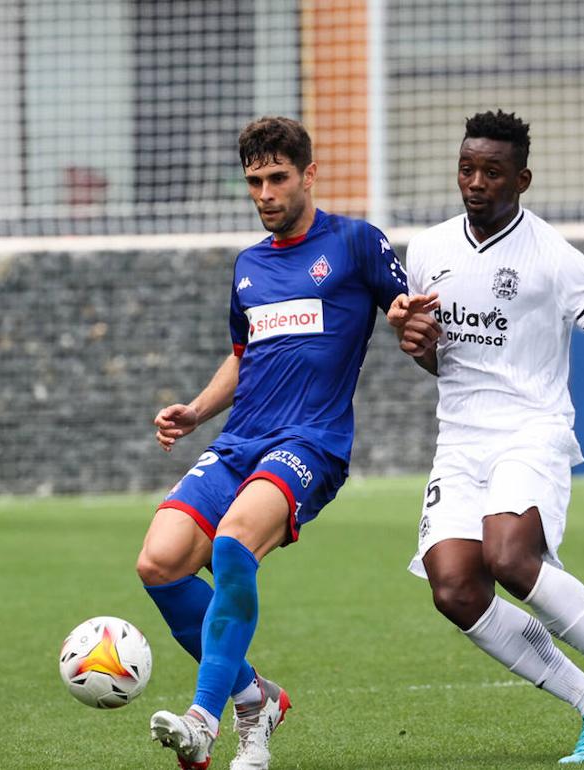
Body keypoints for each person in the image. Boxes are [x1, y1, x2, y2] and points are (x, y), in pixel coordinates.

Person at [388, 110, 584, 763]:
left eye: (492, 172)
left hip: (532, 429)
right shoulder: (428, 250)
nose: (475, 182)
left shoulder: (555, 258)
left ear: (521, 178)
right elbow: (433, 355)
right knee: (455, 589)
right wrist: (413, 342)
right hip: (460, 440)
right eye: (467, 168)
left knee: (510, 557)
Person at [136, 116, 409, 770]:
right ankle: (257, 697)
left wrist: (406, 318)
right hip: (240, 442)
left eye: (277, 178)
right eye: (254, 181)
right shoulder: (249, 265)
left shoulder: (354, 243)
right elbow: (245, 353)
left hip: (311, 442)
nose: (264, 193)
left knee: (232, 544)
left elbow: (409, 309)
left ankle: (210, 719)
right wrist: (197, 410)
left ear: (309, 174)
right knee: (160, 563)